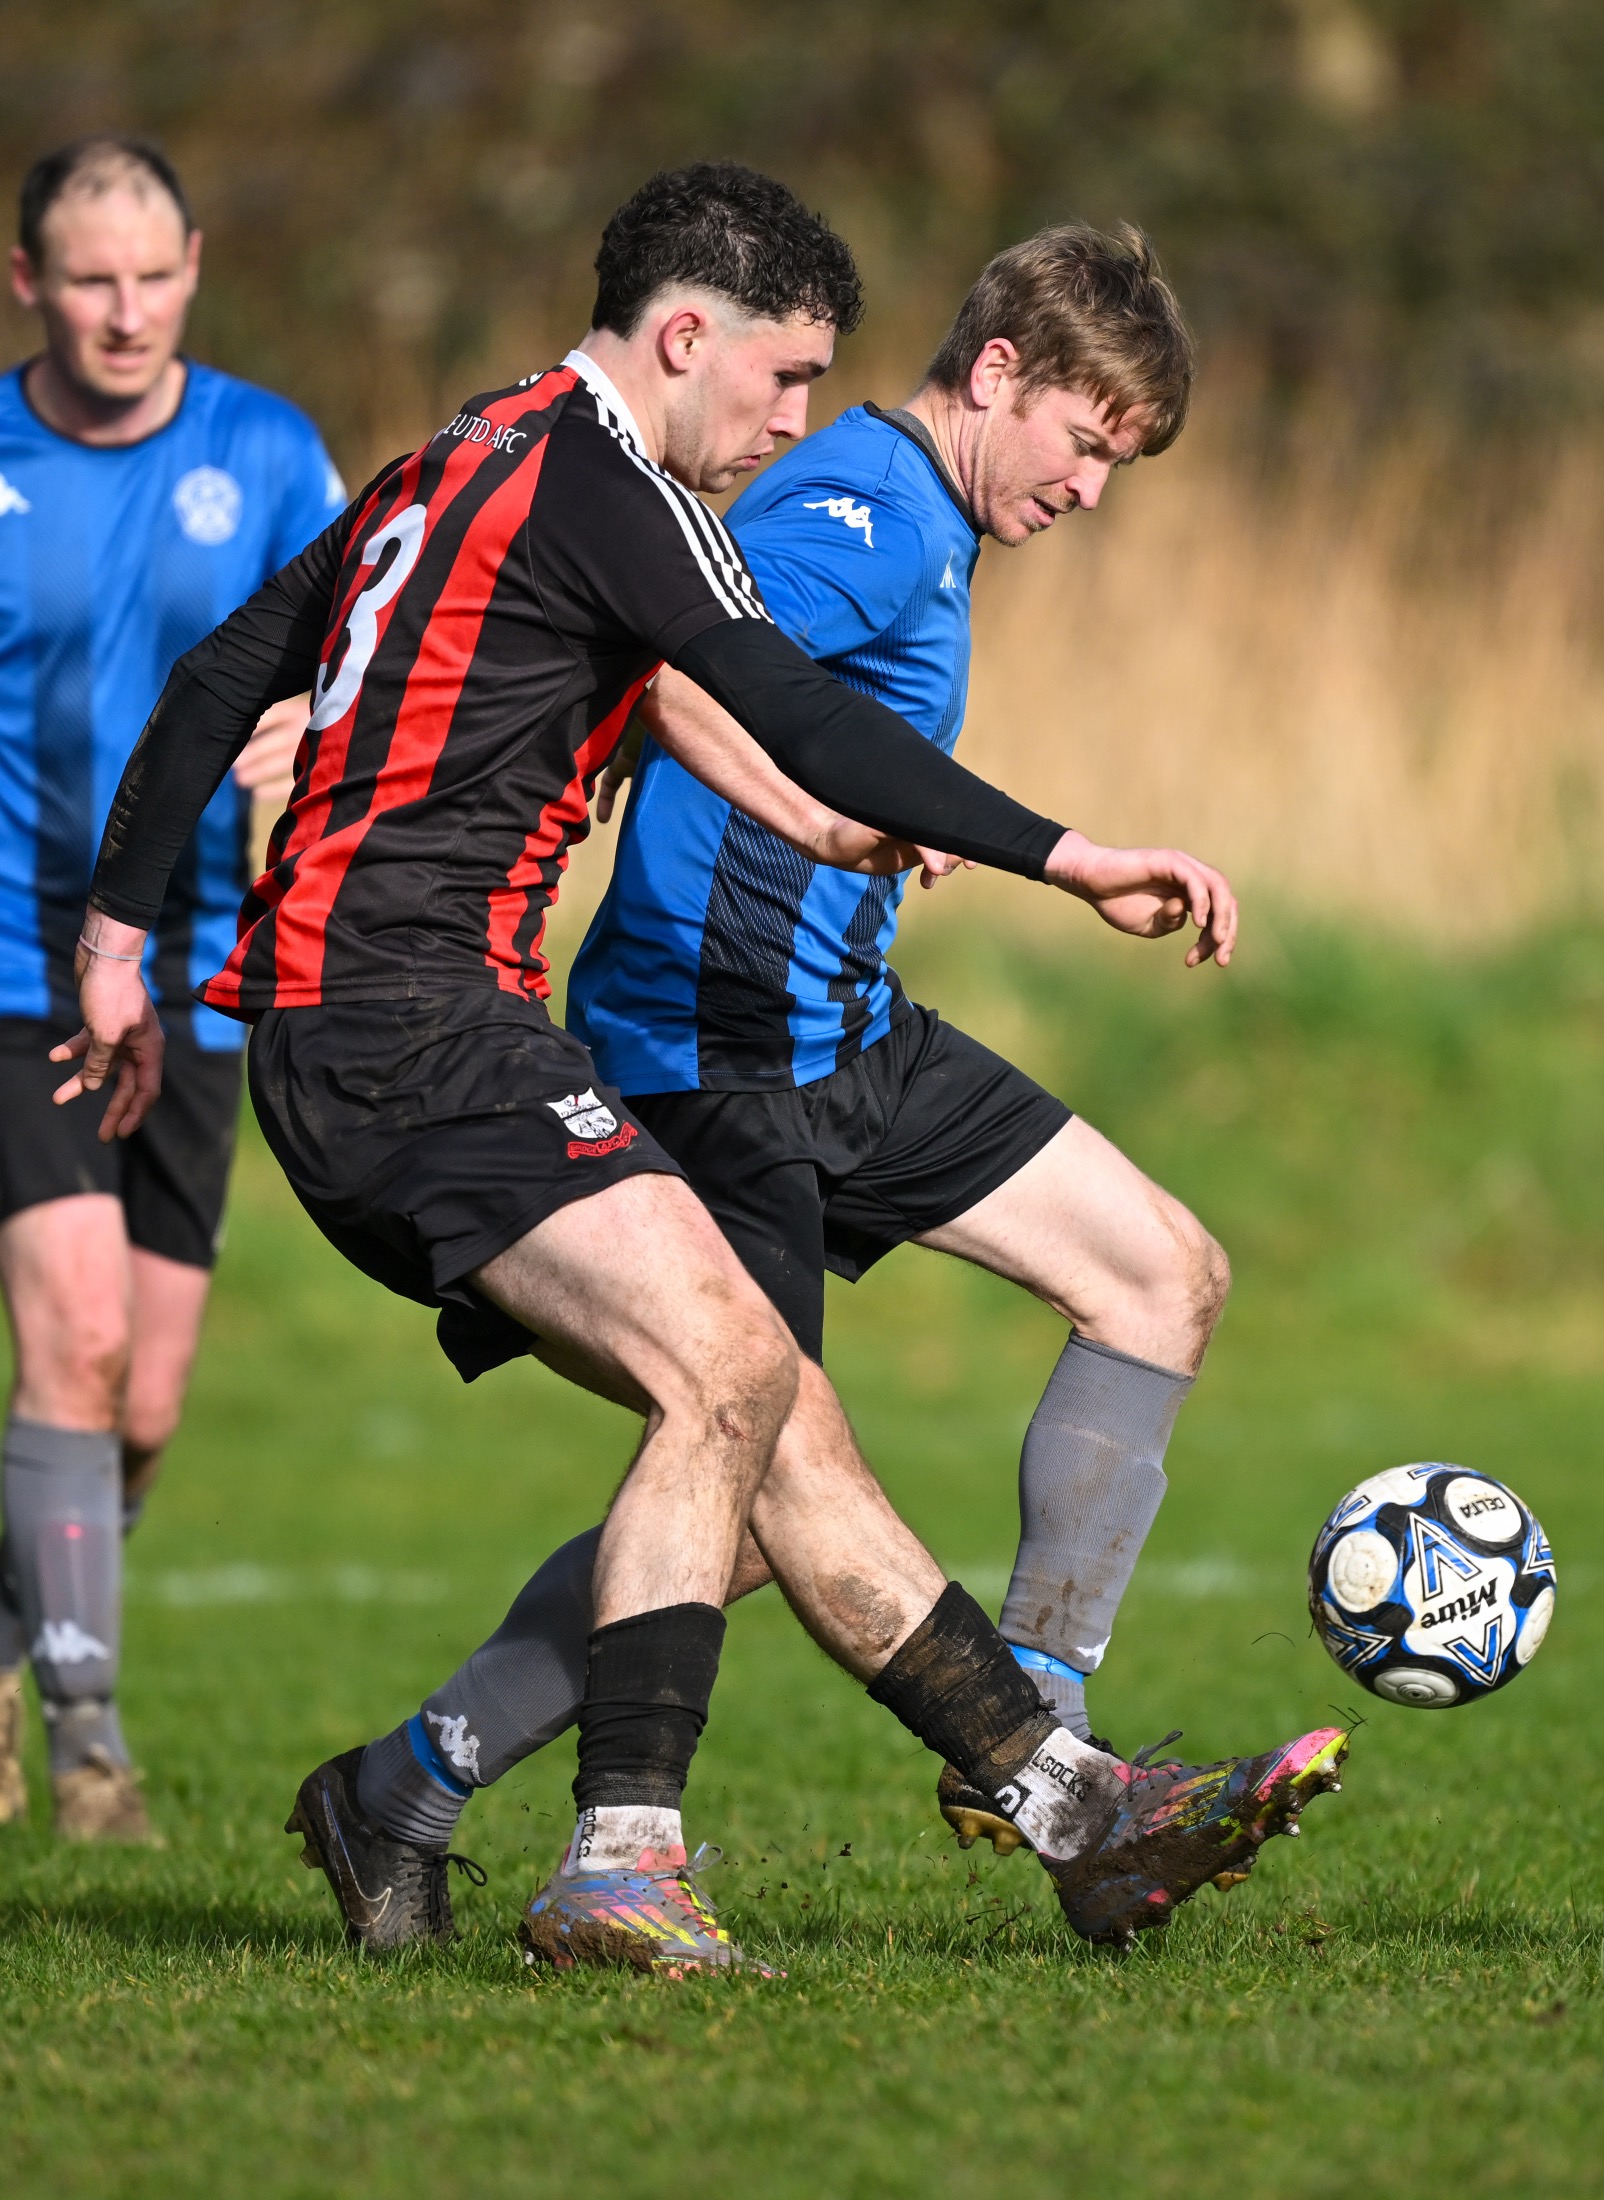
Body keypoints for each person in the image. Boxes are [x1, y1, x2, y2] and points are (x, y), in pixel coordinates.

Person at [64, 163, 1347, 1972]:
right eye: (785, 375)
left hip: (408, 1022)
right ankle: (622, 1859)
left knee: (765, 1409)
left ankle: (1072, 1806)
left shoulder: (469, 450)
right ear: (685, 337)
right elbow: (781, 689)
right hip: (416, 1025)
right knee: (738, 1375)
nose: (800, 418)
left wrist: (116, 946)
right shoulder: (619, 487)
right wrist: (1071, 857)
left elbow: (222, 678)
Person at [371, 219, 1251, 1874]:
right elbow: (665, 661)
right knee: (752, 1483)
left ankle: (1042, 1711)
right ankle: (410, 1781)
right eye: (1084, 442)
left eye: (1119, 465)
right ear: (998, 371)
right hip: (712, 1045)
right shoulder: (865, 515)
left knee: (1161, 1275)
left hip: (845, 1032)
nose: (1091, 489)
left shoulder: (923, 524)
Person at [0, 135, 344, 1841]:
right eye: (89, 280)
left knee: (142, 1403)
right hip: (18, 967)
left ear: (195, 267)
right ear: (28, 285)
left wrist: (305, 724)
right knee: (72, 1336)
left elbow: (363, 656)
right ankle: (85, 1750)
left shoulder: (269, 452)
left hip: (203, 981)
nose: (125, 312)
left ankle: (15, 1636)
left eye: (153, 277)